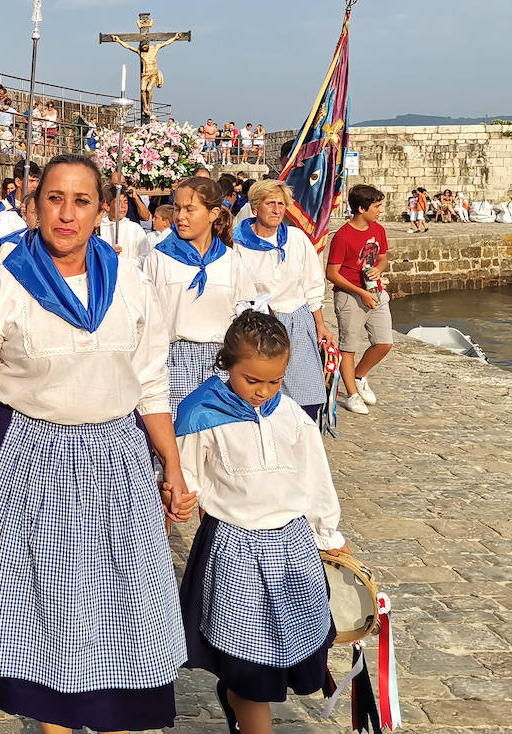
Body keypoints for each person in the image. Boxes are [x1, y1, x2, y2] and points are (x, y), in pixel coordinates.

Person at [0, 154, 191, 733]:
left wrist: (173, 466)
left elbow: (151, 384)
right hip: (33, 468)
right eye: (54, 199)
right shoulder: (4, 288)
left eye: (82, 201)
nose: (67, 213)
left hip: (118, 468)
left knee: (123, 625)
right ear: (34, 206)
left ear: (102, 211)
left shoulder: (131, 286)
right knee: (48, 628)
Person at [175, 310, 346, 732]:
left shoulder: (290, 414)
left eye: (274, 381)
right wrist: (178, 499)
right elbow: (186, 473)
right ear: (226, 365)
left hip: (293, 549)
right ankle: (246, 705)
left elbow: (313, 476)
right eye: (252, 381)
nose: (264, 392)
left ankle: (236, 699)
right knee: (251, 665)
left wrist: (328, 532)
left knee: (285, 650)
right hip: (235, 550)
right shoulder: (200, 413)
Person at [143, 177, 254, 424]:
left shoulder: (230, 260)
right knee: (177, 437)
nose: (180, 216)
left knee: (216, 436)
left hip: (221, 361)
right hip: (172, 360)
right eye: (177, 208)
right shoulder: (159, 259)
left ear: (213, 213)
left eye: (190, 209)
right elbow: (146, 316)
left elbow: (245, 313)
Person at [233, 180, 335, 419]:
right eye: (270, 203)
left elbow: (312, 284)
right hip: (260, 326)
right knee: (263, 391)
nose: (277, 209)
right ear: (255, 208)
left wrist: (320, 324)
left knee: (307, 394)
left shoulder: (296, 239)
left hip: (297, 321)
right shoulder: (237, 244)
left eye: (281, 204)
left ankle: (304, 440)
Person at [326, 184, 392, 417]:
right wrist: (359, 292)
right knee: (349, 346)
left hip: (375, 292)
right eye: (377, 206)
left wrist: (378, 270)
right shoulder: (343, 236)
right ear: (362, 208)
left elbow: (382, 258)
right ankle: (352, 394)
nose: (380, 210)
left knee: (384, 343)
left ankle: (359, 375)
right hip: (350, 296)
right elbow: (332, 273)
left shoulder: (379, 230)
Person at [99, 184, 147, 265]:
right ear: (107, 206)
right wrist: (108, 255)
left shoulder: (135, 228)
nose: (123, 206)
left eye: (125, 202)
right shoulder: (99, 228)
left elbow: (144, 258)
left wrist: (122, 263)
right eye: (118, 202)